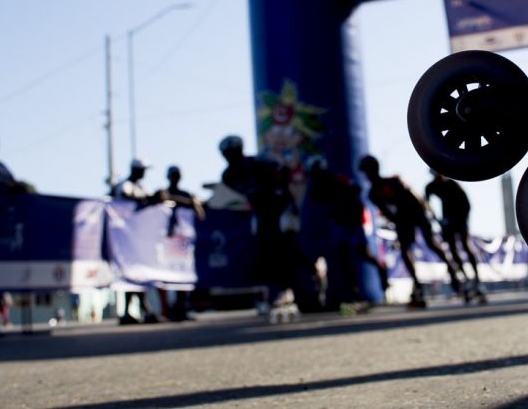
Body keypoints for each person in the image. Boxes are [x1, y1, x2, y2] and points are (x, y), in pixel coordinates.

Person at [218, 135, 313, 310]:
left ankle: (307, 286)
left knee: (290, 248)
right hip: (263, 215)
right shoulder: (228, 175)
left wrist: (277, 190)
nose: (231, 157)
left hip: (282, 208)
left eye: (233, 152)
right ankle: (280, 290)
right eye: (227, 154)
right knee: (267, 252)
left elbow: (283, 172)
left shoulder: (258, 163)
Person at [358, 154, 465, 308]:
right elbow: (387, 212)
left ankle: (453, 271)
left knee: (431, 243)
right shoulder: (373, 193)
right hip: (403, 218)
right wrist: (398, 224)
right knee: (404, 250)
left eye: (368, 171)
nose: (367, 175)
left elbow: (416, 198)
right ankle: (417, 285)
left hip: (417, 212)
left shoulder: (394, 181)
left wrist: (427, 217)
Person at [305, 155, 388, 306]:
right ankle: (352, 292)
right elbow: (317, 198)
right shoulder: (317, 187)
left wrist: (344, 200)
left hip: (354, 221)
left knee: (363, 253)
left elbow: (355, 189)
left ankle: (383, 278)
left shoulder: (336, 179)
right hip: (340, 223)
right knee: (343, 258)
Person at [111, 157, 163, 325]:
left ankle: (136, 310)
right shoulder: (125, 185)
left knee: (137, 273)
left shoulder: (141, 187)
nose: (144, 173)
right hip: (125, 236)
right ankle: (138, 311)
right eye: (142, 170)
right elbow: (125, 199)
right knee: (131, 273)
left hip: (138, 236)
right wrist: (147, 199)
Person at [425, 170, 487, 304]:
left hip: (459, 218)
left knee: (465, 245)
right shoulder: (431, 187)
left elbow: (467, 205)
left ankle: (476, 279)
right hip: (447, 221)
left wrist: (463, 221)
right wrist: (437, 220)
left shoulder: (453, 185)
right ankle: (464, 279)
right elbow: (427, 204)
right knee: (453, 250)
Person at [156, 165, 205, 321]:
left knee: (184, 274)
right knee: (166, 276)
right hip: (166, 241)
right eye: (173, 175)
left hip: (183, 242)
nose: (175, 178)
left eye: (177, 175)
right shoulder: (164, 193)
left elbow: (200, 214)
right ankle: (167, 310)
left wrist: (192, 202)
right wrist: (183, 201)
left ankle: (181, 308)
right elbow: (161, 203)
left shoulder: (187, 194)